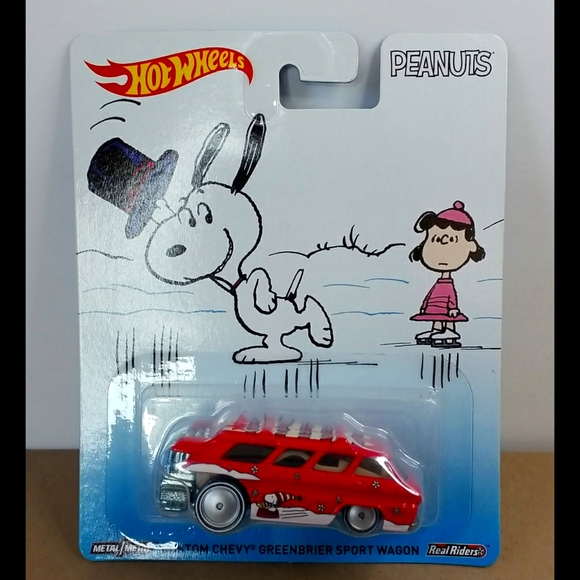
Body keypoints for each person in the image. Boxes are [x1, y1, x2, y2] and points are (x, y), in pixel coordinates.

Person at [409, 201, 485, 347]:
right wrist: (424, 306)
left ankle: (450, 330)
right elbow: (431, 295)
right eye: (435, 239)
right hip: (435, 308)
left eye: (451, 240)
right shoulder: (438, 283)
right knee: (437, 316)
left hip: (448, 310)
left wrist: (453, 308)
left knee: (447, 318)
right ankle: (436, 330)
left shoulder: (448, 285)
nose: (442, 247)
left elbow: (451, 296)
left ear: (471, 246)